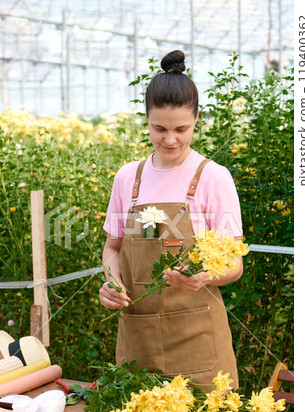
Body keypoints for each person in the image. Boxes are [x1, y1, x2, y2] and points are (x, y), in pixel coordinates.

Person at [99, 50, 244, 389]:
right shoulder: (127, 179)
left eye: (182, 129)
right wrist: (110, 283)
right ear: (146, 119)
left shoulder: (213, 177)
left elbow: (234, 264)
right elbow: (112, 247)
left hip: (199, 343)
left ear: (198, 119)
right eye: (158, 128)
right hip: (139, 343)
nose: (170, 139)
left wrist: (205, 277)